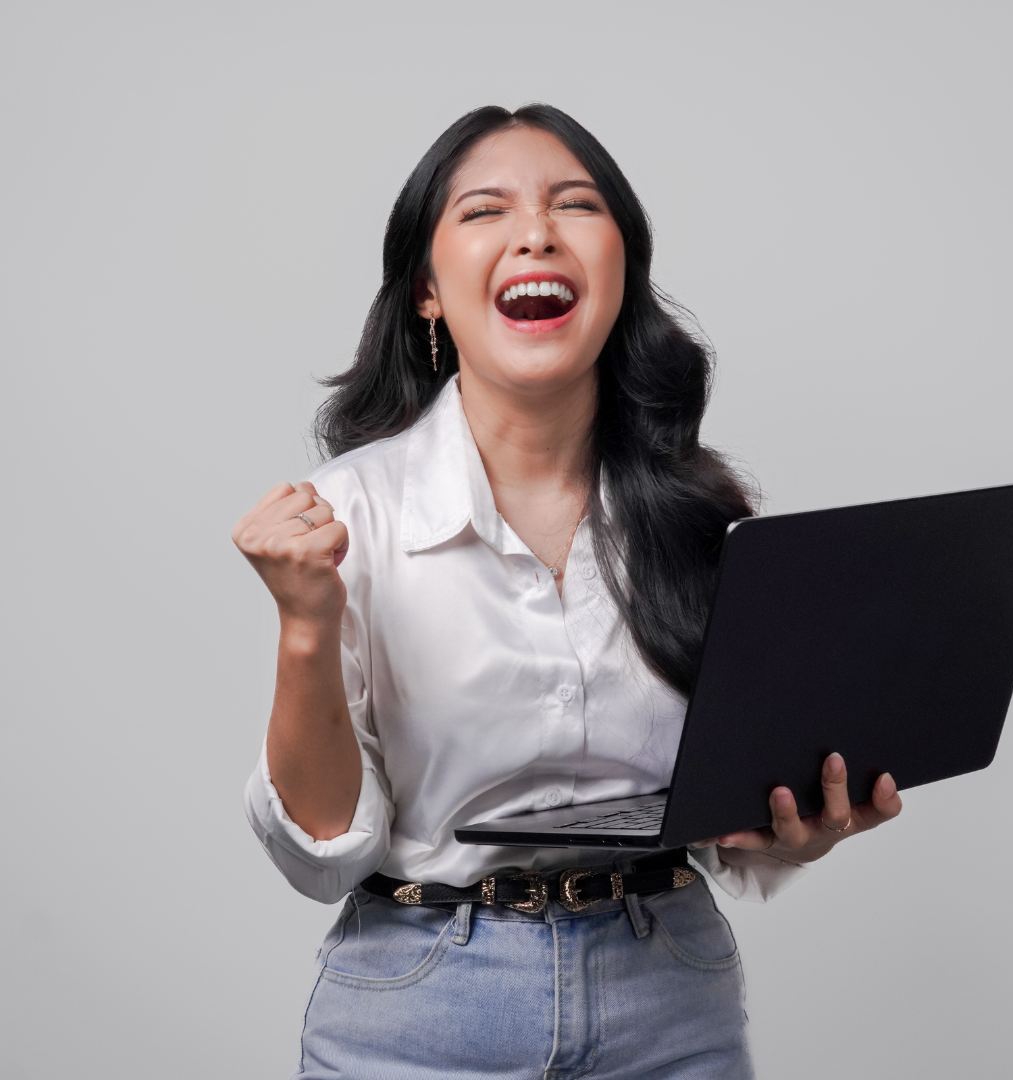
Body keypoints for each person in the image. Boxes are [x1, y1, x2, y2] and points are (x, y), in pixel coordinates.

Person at [233, 104, 902, 1079]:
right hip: (420, 1008)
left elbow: (729, 825)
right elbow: (322, 855)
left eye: (574, 205)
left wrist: (796, 828)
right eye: (484, 211)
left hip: (669, 990)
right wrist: (305, 625)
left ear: (620, 269)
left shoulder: (705, 515)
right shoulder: (348, 516)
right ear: (427, 290)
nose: (535, 231)